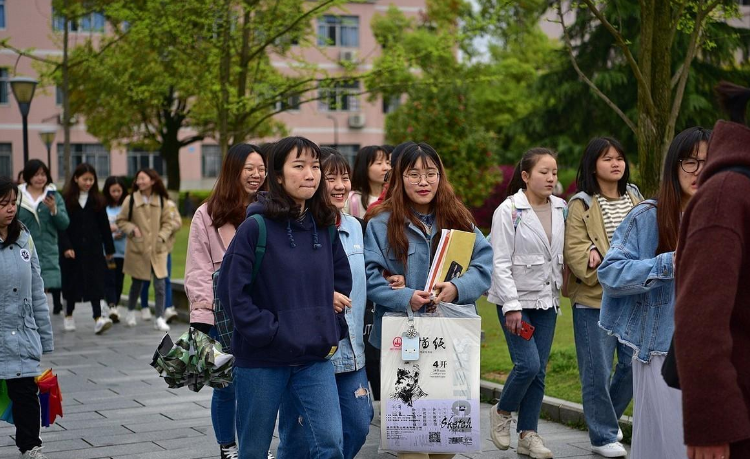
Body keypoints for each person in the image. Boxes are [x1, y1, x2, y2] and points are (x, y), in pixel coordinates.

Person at [216, 136, 352, 459]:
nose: (311, 174)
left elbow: (342, 279)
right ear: (277, 175)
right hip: (262, 360)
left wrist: (328, 321)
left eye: (315, 167)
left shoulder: (324, 226)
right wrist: (271, 331)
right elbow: (231, 293)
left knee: (330, 443)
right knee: (253, 449)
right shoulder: (255, 227)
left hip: (313, 358)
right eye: (300, 166)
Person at [365, 142, 493, 459]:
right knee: (410, 439)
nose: (424, 182)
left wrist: (457, 287)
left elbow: (484, 264)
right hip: (403, 340)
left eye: (431, 173)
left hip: (450, 340)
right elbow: (369, 277)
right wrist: (407, 295)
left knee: (446, 437)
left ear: (440, 177)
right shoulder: (380, 223)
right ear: (398, 178)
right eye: (414, 174)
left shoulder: (458, 218)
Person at [598, 126, 711, 459]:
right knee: (668, 446)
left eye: (708, 161)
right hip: (662, 353)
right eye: (691, 162)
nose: (699, 170)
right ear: (674, 166)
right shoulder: (647, 217)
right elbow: (610, 273)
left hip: (713, 353)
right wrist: (667, 263)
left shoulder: (723, 216)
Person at [277, 148, 375, 459]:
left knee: (359, 424)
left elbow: (365, 278)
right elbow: (280, 283)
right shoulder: (298, 228)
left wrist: (390, 281)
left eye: (344, 177)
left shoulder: (356, 226)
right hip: (309, 353)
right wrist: (320, 297)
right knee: (297, 437)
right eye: (329, 177)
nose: (339, 185)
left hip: (352, 352)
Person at [674, 82, 750, 459]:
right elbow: (699, 321)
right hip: (740, 424)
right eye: (690, 161)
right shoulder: (726, 194)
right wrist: (711, 424)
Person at [184, 143, 267, 459]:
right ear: (233, 171)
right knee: (226, 385)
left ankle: (252, 447)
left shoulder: (271, 209)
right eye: (249, 168)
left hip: (261, 309)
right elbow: (198, 267)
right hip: (221, 315)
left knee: (258, 385)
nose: (256, 175)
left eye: (261, 169)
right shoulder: (207, 214)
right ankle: (228, 446)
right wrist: (201, 317)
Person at [563, 137, 643, 457]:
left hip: (633, 296)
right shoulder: (581, 203)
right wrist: (592, 255)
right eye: (607, 158)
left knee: (634, 364)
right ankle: (603, 435)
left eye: (620, 158)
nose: (616, 163)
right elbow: (576, 252)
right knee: (597, 369)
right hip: (595, 299)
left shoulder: (635, 195)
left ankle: (602, 419)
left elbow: (647, 235)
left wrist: (610, 257)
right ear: (593, 165)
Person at [487, 148, 567, 459]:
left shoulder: (560, 208)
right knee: (528, 364)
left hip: (547, 302)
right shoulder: (509, 211)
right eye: (544, 172)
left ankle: (528, 435)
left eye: (555, 172)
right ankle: (502, 411)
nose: (551, 178)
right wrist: (512, 306)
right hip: (516, 303)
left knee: (540, 371)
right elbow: (500, 262)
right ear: (525, 176)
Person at [0, 176, 54, 459]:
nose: (10, 209)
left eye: (13, 203)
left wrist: (44, 336)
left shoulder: (23, 236)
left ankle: (31, 446)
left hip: (21, 332)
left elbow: (36, 289)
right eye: (3, 204)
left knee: (25, 395)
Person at [59, 163, 116, 335]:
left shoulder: (98, 201)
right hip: (72, 250)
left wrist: (109, 249)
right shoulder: (66, 200)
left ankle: (98, 318)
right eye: (85, 179)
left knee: (95, 282)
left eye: (91, 179)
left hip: (93, 249)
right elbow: (62, 226)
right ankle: (68, 314)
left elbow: (104, 227)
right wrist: (66, 246)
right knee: (71, 282)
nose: (88, 183)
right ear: (76, 179)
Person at [116, 168, 174, 332]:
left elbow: (168, 223)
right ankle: (130, 311)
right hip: (138, 249)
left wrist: (162, 236)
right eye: (138, 179)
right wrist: (132, 229)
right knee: (138, 283)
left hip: (158, 249)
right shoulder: (131, 200)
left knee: (160, 284)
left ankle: (160, 318)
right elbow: (121, 220)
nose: (139, 182)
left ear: (153, 181)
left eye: (143, 179)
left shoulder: (162, 200)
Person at [17, 160, 69, 317]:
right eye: (36, 174)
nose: (40, 178)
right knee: (25, 287)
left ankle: (39, 322)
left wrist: (53, 209)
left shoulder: (54, 196)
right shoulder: (18, 195)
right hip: (23, 249)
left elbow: (64, 223)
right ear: (28, 176)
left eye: (43, 174)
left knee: (43, 288)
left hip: (47, 250)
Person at [139, 197, 182, 324]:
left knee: (165, 278)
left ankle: (168, 308)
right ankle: (144, 307)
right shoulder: (144, 204)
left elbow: (178, 222)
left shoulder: (169, 204)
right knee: (145, 279)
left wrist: (165, 226)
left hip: (164, 249)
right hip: (147, 249)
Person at [103, 176, 128, 323]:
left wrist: (123, 230)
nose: (116, 194)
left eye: (119, 191)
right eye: (113, 191)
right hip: (108, 251)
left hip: (123, 251)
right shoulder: (103, 207)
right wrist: (109, 230)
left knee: (120, 281)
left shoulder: (126, 207)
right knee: (110, 279)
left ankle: (114, 307)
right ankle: (112, 306)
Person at [346, 145, 391, 218]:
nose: (386, 168)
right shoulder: (351, 199)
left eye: (388, 163)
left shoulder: (394, 197)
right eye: (379, 163)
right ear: (364, 167)